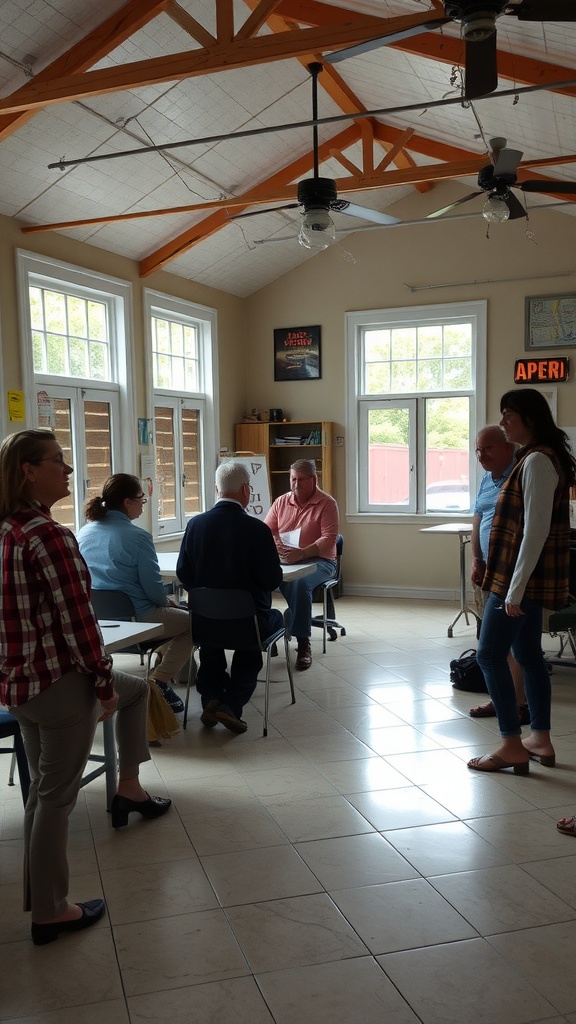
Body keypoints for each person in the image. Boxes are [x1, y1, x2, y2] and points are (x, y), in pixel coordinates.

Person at [0, 429, 171, 946]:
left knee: (42, 795)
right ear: (29, 471)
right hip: (58, 684)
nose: (69, 470)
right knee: (56, 799)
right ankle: (51, 912)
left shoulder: (8, 529)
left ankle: (129, 787)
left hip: (20, 686)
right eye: (58, 461)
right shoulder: (48, 535)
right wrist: (101, 685)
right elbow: (80, 625)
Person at [467, 389, 576, 776]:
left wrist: (513, 590)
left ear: (529, 418)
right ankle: (540, 739)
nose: (502, 422)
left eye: (508, 415)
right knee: (528, 655)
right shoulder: (537, 458)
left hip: (517, 581)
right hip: (519, 579)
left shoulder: (536, 461)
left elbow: (535, 530)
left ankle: (511, 744)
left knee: (489, 655)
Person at [176, 460, 283, 733]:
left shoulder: (195, 525)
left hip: (204, 621)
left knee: (212, 651)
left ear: (216, 489)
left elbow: (184, 575)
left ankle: (211, 698)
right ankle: (230, 706)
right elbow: (272, 580)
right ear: (246, 490)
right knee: (253, 652)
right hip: (248, 624)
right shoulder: (258, 531)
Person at [77, 473, 191, 714]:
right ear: (128, 502)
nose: (143, 504)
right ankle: (159, 680)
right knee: (194, 623)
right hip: (139, 618)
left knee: (174, 620)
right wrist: (168, 603)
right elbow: (153, 589)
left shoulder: (83, 533)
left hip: (99, 621)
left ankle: (162, 671)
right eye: (141, 499)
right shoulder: (138, 537)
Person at [468, 425, 529, 725]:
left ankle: (517, 705)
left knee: (502, 647)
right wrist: (476, 560)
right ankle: (501, 699)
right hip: (489, 568)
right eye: (478, 449)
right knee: (493, 642)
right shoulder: (485, 480)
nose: (481, 455)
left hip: (511, 572)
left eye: (488, 448)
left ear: (508, 447)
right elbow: (477, 517)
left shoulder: (520, 477)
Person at [264, 459, 339, 670]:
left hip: (320, 561)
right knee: (257, 579)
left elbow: (329, 539)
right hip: (285, 560)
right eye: (293, 479)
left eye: (301, 480)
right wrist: (275, 544)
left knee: (298, 583)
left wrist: (303, 553)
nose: (296, 484)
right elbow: (265, 530)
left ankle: (303, 643)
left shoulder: (327, 503)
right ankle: (270, 631)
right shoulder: (281, 502)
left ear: (314, 480)